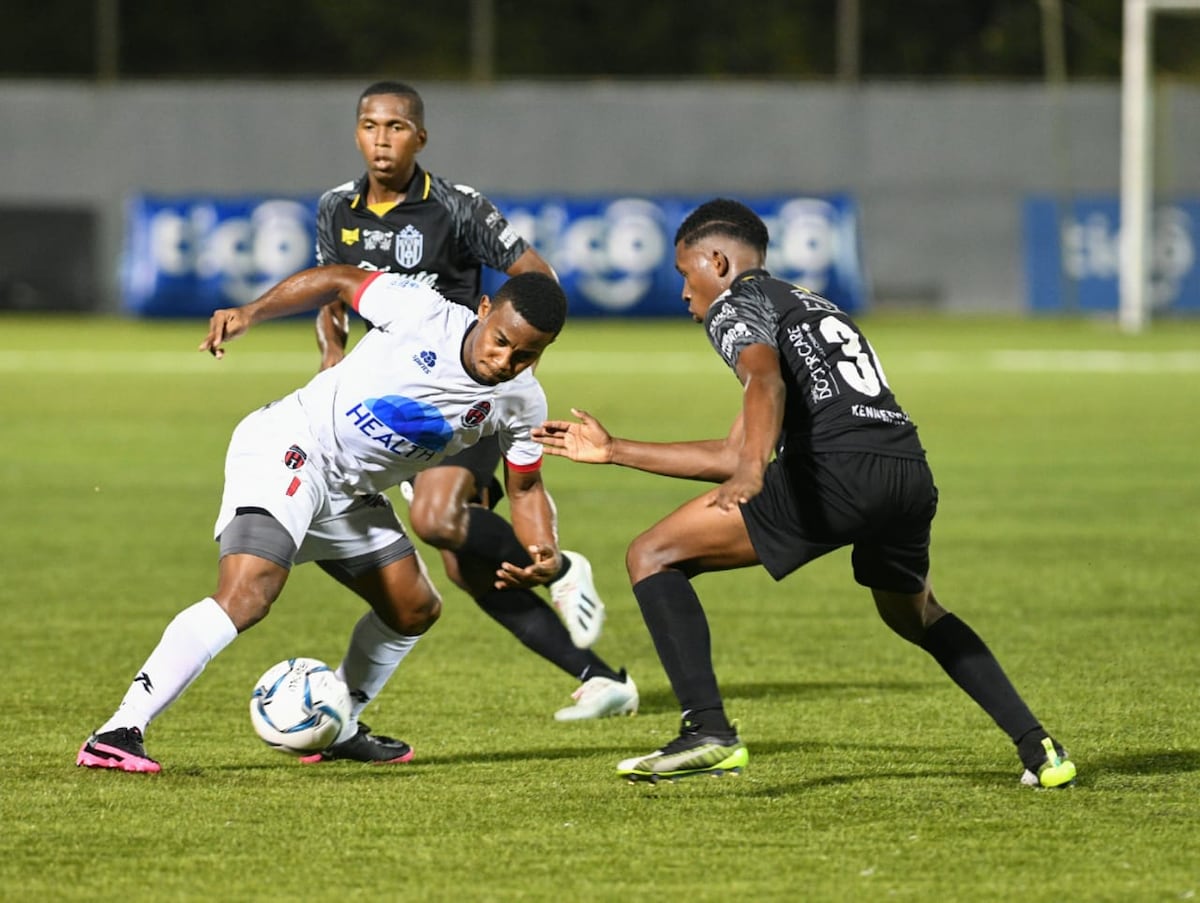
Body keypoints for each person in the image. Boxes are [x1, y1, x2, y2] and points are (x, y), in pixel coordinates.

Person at [532, 199, 1077, 787]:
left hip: (836, 469)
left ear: (716, 261)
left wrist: (754, 469)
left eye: (685, 273)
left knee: (651, 554)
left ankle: (708, 731)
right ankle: (1039, 747)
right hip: (905, 469)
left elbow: (763, 380)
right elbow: (729, 452)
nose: (687, 294)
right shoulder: (808, 303)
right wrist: (616, 450)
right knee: (915, 613)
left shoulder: (735, 305)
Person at [76, 267, 633, 773]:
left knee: (414, 608)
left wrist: (543, 553)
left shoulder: (522, 402)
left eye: (526, 355)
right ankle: (120, 730)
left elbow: (527, 488)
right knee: (249, 593)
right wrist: (251, 312)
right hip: (290, 448)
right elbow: (337, 280)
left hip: (352, 493)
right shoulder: (421, 312)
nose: (505, 362)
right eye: (502, 342)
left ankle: (337, 721)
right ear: (484, 310)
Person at [310, 80, 633, 721]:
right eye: (371, 126)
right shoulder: (334, 210)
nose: (382, 139)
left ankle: (562, 564)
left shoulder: (457, 208)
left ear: (419, 136)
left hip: (469, 393)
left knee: (433, 519)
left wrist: (515, 359)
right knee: (467, 568)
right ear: (356, 132)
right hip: (399, 397)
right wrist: (331, 357)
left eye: (396, 127)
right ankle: (603, 678)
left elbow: (537, 277)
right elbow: (333, 293)